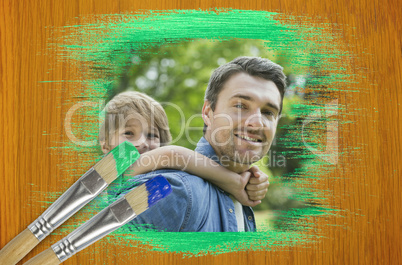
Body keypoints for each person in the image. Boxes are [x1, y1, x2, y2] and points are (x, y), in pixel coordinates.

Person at [108, 56, 286, 232]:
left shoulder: (240, 198)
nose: (257, 123)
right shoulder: (176, 191)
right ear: (208, 113)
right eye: (240, 105)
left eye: (268, 112)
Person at [99, 91, 269, 210]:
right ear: (105, 145)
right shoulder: (110, 176)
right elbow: (173, 155)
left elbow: (181, 162)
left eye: (152, 135)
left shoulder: (161, 178)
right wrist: (235, 181)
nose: (142, 142)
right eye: (129, 133)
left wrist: (244, 174)